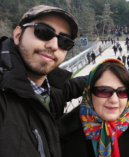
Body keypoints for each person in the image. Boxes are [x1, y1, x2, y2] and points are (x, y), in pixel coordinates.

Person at [0, 5, 87, 157]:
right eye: (43, 32)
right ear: (17, 35)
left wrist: (109, 77)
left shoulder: (49, 86)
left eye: (64, 42)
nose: (53, 46)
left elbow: (74, 86)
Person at [58, 59, 129, 157]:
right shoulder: (64, 131)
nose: (114, 100)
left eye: (122, 91)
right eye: (104, 91)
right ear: (89, 94)